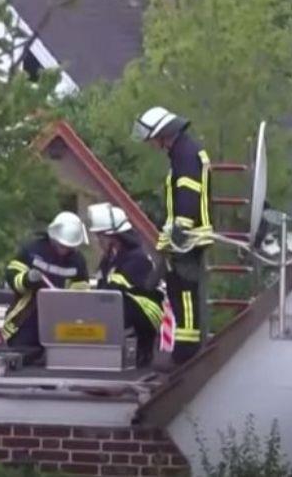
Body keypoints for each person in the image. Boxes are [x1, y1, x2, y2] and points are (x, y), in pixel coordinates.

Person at [132, 106, 212, 364]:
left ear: (162, 134)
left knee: (185, 293)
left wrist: (181, 228)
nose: (151, 144)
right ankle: (182, 349)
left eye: (152, 139)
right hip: (183, 239)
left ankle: (186, 353)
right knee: (177, 291)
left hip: (187, 240)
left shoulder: (185, 154)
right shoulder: (182, 151)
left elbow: (188, 192)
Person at [86, 203, 164, 367]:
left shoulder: (137, 258)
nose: (98, 241)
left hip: (148, 312)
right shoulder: (110, 259)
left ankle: (143, 351)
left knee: (117, 302)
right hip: (124, 307)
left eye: (101, 236)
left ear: (114, 237)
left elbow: (113, 289)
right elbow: (102, 287)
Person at [3, 212, 91, 354]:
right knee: (21, 359)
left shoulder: (77, 261)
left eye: (68, 247)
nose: (64, 250)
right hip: (26, 320)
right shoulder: (32, 250)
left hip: (59, 324)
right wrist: (27, 279)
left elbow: (82, 295)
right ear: (53, 238)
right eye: (61, 246)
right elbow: (12, 276)